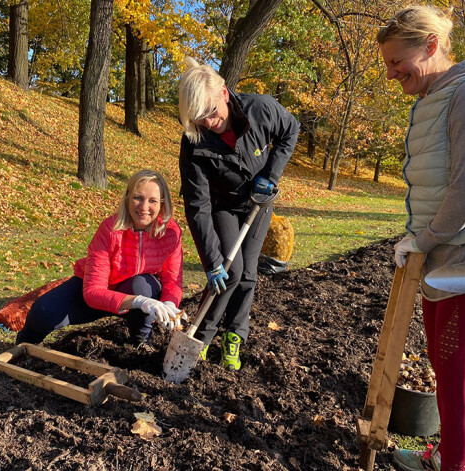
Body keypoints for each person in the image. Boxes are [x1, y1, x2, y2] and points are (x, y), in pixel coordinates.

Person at [377, 6, 465, 471]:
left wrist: (424, 237)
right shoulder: (433, 96)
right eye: (388, 64)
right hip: (443, 249)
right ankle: (444, 456)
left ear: (431, 46)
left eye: (398, 61)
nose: (392, 73)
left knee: (458, 379)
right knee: (443, 366)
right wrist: (421, 238)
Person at [177, 57, 300, 371]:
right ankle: (201, 338)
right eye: (199, 116)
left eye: (211, 111)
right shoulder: (194, 142)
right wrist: (210, 260)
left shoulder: (260, 109)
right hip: (222, 207)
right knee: (227, 273)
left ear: (224, 93)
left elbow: (290, 130)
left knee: (247, 274)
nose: (207, 121)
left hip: (259, 201)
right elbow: (197, 204)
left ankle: (234, 337)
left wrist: (271, 175)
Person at [16, 170, 185, 348]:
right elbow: (93, 292)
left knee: (142, 285)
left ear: (162, 205)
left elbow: (173, 281)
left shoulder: (171, 233)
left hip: (134, 290)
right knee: (43, 311)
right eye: (138, 198)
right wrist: (139, 301)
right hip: (98, 292)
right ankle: (25, 344)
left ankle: (141, 343)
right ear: (127, 198)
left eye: (152, 201)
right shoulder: (109, 230)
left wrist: (169, 304)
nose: (144, 207)